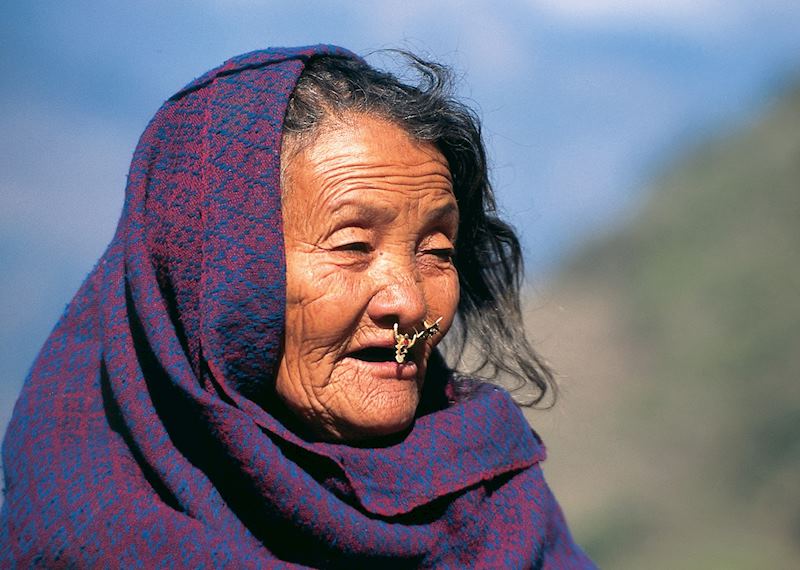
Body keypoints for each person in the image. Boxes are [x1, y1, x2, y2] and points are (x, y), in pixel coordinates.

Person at [0, 45, 595, 568]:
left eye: (436, 251)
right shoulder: (83, 531)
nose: (410, 303)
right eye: (353, 246)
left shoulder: (493, 499)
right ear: (212, 272)